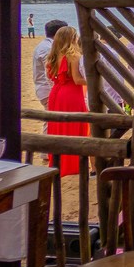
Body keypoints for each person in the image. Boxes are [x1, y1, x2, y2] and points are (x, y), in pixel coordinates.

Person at [45, 25, 88, 176]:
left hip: (56, 93)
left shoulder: (53, 55)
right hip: (71, 94)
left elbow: (51, 76)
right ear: (72, 38)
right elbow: (77, 80)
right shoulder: (73, 56)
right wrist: (94, 81)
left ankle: (58, 162)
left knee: (57, 127)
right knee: (74, 126)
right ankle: (72, 164)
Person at [33, 19, 68, 108]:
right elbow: (50, 72)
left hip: (44, 89)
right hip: (48, 90)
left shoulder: (44, 45)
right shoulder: (49, 48)